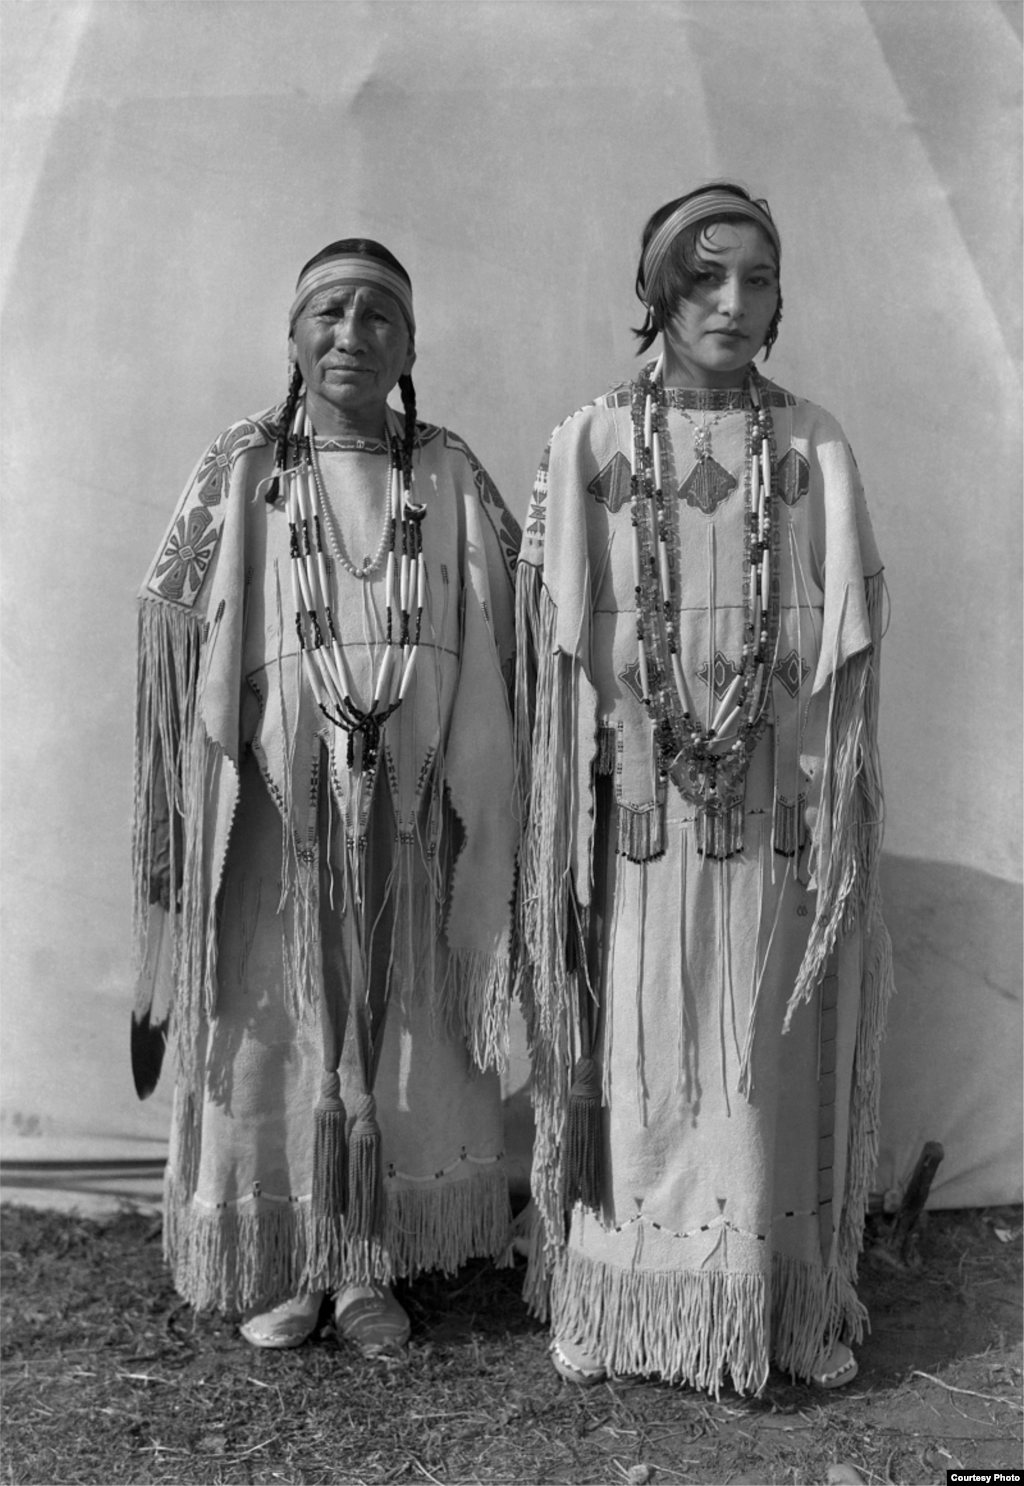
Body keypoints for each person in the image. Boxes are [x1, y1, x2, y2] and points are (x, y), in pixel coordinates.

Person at [515, 183, 892, 1394]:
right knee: (635, 1043)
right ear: (656, 292)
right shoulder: (587, 441)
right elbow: (558, 654)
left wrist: (823, 799)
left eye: (757, 281)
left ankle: (780, 1304)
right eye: (702, 278)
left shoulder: (813, 442)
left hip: (770, 813)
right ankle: (618, 1298)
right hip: (635, 814)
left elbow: (849, 640)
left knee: (760, 1044)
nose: (731, 304)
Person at [132, 239, 521, 1350]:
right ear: (294, 336)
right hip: (280, 811)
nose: (351, 336)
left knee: (401, 1027)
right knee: (280, 1023)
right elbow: (171, 627)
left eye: (377, 318)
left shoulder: (443, 471)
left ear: (409, 345)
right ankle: (295, 1258)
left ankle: (368, 1267)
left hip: (411, 813)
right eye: (329, 315)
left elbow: (515, 626)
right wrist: (176, 816)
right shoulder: (246, 469)